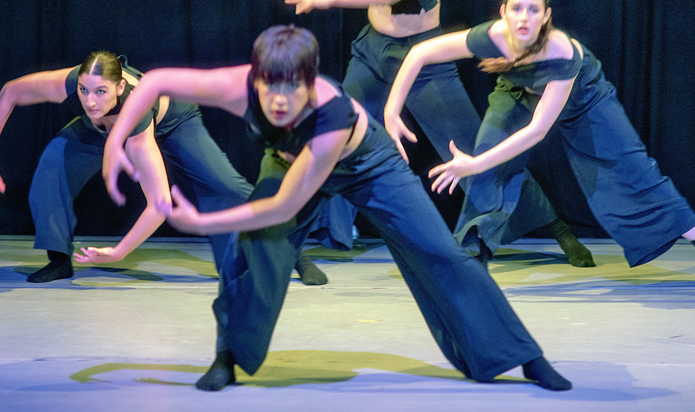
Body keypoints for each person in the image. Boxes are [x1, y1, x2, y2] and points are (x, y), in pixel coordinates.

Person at [101, 25, 572, 392]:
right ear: (254, 81)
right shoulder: (234, 87)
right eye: (270, 90)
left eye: (293, 90)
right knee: (254, 253)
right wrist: (113, 143)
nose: (280, 102)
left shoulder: (330, 115)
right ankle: (228, 355)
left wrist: (200, 221)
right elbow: (154, 81)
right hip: (286, 163)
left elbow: (284, 205)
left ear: (310, 83)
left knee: (440, 252)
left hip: (367, 163)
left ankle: (522, 356)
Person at [279, 0, 593, 268]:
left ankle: (556, 227)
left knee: (468, 146)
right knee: (338, 129)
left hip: (424, 59)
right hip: (372, 54)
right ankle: (329, 233)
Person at [383, 0, 695, 290]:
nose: (523, 17)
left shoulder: (560, 51)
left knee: (635, 169)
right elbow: (418, 54)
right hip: (517, 91)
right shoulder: (493, 37)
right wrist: (391, 109)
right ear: (503, 13)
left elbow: (537, 130)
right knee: (489, 153)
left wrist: (475, 164)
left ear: (546, 16)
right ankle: (474, 258)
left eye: (532, 10)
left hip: (585, 100)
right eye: (516, 8)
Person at [0, 51, 252, 282]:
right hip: (101, 128)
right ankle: (59, 259)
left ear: (120, 87)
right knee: (54, 161)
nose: (89, 101)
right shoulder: (71, 85)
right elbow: (11, 91)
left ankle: (291, 242)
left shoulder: (136, 119)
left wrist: (120, 251)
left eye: (101, 92)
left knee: (226, 187)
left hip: (173, 123)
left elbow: (159, 203)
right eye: (84, 90)